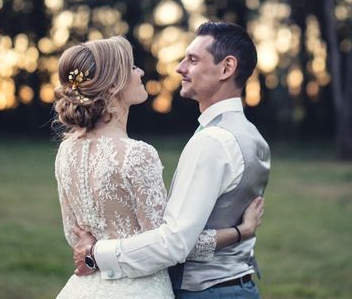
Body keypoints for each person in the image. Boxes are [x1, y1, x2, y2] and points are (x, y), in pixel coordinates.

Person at [53, 35, 264, 299]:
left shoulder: (67, 150)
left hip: (85, 289)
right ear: (114, 84)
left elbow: (75, 237)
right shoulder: (137, 154)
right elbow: (169, 246)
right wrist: (238, 232)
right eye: (132, 67)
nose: (140, 72)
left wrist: (94, 253)